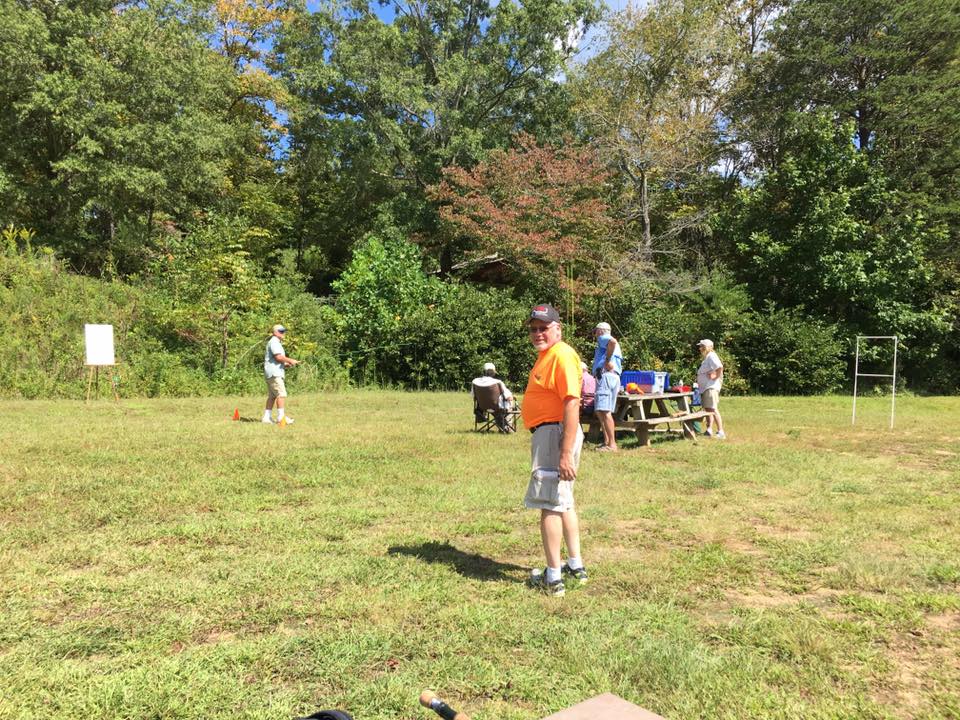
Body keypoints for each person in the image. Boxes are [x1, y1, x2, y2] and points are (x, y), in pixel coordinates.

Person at [521, 303, 588, 597]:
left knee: (549, 504)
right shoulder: (548, 356)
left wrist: (564, 452)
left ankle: (553, 577)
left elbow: (572, 402)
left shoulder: (561, 355)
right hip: (551, 433)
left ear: (557, 329)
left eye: (544, 328)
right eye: (534, 329)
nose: (538, 333)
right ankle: (575, 565)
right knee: (564, 502)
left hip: (553, 434)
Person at [591, 321, 623, 452]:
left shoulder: (603, 337)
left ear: (600, 331)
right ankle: (607, 441)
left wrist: (607, 360)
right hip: (610, 377)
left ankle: (612, 445)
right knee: (600, 410)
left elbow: (613, 341)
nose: (595, 335)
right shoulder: (605, 342)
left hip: (605, 376)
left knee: (604, 411)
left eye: (595, 331)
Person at [263, 324, 300, 424]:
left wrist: (286, 364)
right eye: (281, 331)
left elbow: (276, 360)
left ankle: (266, 418)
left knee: (272, 396)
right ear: (275, 332)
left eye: (284, 331)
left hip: (271, 372)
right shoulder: (274, 342)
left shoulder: (275, 342)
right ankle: (281, 418)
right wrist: (291, 360)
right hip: (275, 373)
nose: (283, 333)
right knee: (281, 394)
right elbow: (278, 357)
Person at [470, 362, 516, 432]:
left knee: (497, 409)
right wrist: (512, 397)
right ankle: (508, 427)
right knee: (509, 403)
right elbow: (508, 397)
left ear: (484, 371)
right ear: (493, 372)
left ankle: (503, 427)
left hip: (482, 408)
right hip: (497, 407)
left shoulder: (475, 381)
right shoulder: (497, 382)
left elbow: (473, 396)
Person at [696, 339, 726, 439]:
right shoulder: (707, 357)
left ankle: (721, 432)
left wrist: (715, 376)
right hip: (705, 387)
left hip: (711, 386)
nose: (700, 349)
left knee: (713, 409)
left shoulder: (712, 356)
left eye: (702, 347)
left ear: (707, 347)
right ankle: (709, 430)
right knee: (708, 409)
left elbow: (720, 367)